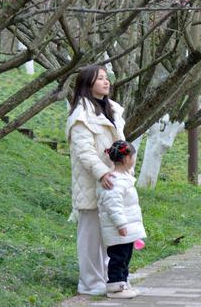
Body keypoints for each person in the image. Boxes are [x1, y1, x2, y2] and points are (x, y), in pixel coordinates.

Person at [66, 64, 126, 296]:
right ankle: (90, 283)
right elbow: (84, 152)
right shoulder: (81, 115)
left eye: (106, 77)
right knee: (91, 236)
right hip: (92, 182)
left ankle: (107, 278)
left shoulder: (112, 110)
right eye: (100, 78)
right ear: (87, 84)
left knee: (109, 234)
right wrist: (102, 173)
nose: (106, 81)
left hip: (113, 181)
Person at [97, 140, 146, 299]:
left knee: (125, 256)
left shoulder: (124, 178)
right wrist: (121, 224)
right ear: (126, 159)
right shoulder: (115, 181)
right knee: (118, 258)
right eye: (133, 156)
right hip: (118, 229)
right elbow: (113, 205)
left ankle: (123, 282)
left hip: (126, 230)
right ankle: (115, 287)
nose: (134, 160)